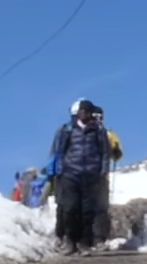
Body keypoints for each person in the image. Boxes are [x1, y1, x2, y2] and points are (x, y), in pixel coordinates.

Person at [47, 98, 119, 253]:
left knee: (87, 211)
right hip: (71, 174)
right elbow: (60, 151)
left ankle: (84, 244)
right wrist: (60, 170)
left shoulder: (99, 131)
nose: (82, 113)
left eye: (85, 111)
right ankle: (70, 241)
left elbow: (105, 153)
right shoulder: (67, 130)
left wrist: (103, 171)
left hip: (92, 175)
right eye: (81, 111)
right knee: (70, 208)